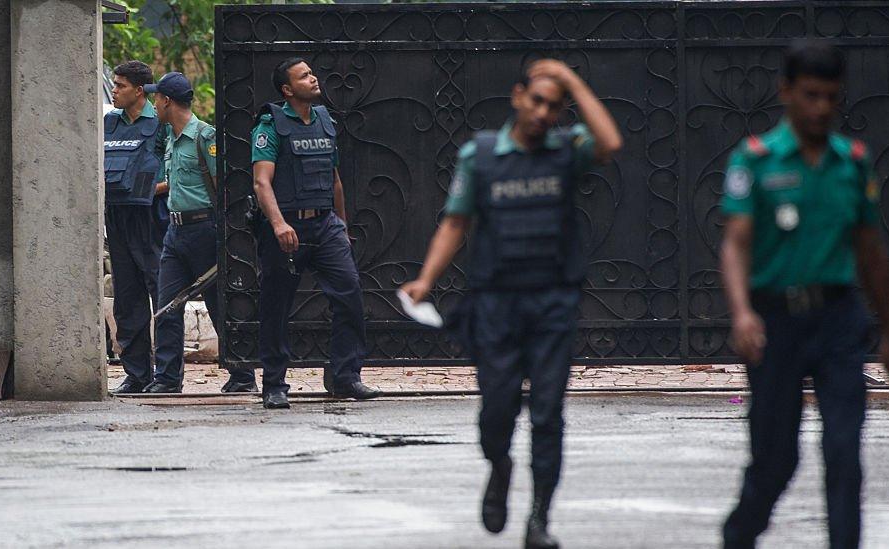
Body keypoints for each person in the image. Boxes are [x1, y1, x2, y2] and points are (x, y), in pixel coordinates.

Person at [401, 59, 622, 548]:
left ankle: (539, 518)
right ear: (518, 96)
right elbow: (455, 223)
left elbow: (610, 143)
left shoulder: (568, 150)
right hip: (497, 305)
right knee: (497, 413)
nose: (544, 113)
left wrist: (574, 82)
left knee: (548, 413)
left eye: (554, 106)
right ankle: (500, 465)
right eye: (537, 100)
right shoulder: (480, 156)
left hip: (552, 304)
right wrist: (426, 280)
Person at [719, 41, 889, 549]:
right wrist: (741, 313)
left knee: (844, 451)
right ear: (786, 92)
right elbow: (735, 245)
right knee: (776, 460)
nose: (821, 108)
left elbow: (871, 253)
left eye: (830, 97)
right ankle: (737, 537)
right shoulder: (756, 161)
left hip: (838, 319)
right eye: (810, 95)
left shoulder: (853, 164)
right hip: (775, 322)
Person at [251, 58, 381, 409]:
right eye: (304, 76)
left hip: (325, 225)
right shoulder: (270, 124)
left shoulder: (325, 119)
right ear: (287, 89)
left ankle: (345, 376)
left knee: (349, 293)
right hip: (287, 226)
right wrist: (278, 224)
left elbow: (334, 177)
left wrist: (341, 222)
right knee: (276, 305)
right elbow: (262, 182)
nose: (313, 78)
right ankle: (275, 384)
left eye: (311, 73)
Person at [143, 72, 258, 394]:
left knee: (220, 305)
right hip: (175, 231)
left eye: (156, 99)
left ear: (167, 101)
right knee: (167, 307)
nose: (154, 104)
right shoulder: (170, 139)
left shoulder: (204, 137)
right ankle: (166, 379)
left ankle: (242, 376)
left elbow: (227, 186)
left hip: (205, 230)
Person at [104, 61, 166, 395]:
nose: (113, 90)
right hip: (117, 217)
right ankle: (137, 373)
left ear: (139, 90)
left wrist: (148, 191)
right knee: (127, 298)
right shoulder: (109, 123)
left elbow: (178, 172)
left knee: (162, 291)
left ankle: (167, 374)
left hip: (150, 218)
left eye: (120, 85)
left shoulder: (159, 123)